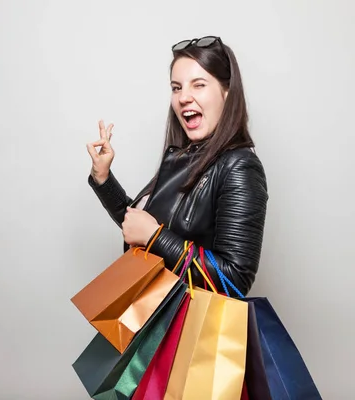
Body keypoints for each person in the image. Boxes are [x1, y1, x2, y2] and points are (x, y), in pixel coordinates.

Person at [85, 36, 268, 296]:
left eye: (198, 85)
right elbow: (139, 225)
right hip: (155, 314)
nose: (184, 97)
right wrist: (103, 179)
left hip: (193, 330)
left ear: (227, 93)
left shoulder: (239, 166)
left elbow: (235, 279)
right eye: (176, 87)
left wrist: (155, 237)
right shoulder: (184, 157)